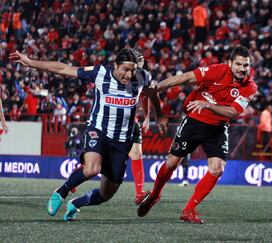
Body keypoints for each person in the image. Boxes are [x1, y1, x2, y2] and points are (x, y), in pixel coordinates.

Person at [10, 48, 167, 221]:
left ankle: (76, 203)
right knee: (92, 169)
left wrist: (159, 115)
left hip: (122, 140)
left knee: (106, 194)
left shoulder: (142, 76)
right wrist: (31, 62)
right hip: (97, 130)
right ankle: (61, 192)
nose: (129, 74)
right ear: (115, 65)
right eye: (125, 69)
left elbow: (153, 93)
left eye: (133, 70)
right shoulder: (100, 73)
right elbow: (63, 69)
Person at [137, 46, 257, 223]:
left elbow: (232, 112)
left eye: (245, 65)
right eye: (238, 64)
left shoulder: (250, 87)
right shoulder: (216, 70)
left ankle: (188, 210)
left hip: (218, 126)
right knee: (171, 163)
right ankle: (154, 195)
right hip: (194, 121)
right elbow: (185, 77)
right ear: (229, 63)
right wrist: (157, 88)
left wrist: (208, 105)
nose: (242, 69)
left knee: (218, 168)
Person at [129, 49, 166, 205]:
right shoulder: (118, 75)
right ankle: (74, 180)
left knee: (137, 153)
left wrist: (146, 117)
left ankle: (139, 193)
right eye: (138, 60)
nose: (141, 63)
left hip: (131, 121)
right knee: (98, 161)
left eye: (141, 60)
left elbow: (145, 95)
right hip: (113, 120)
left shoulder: (141, 76)